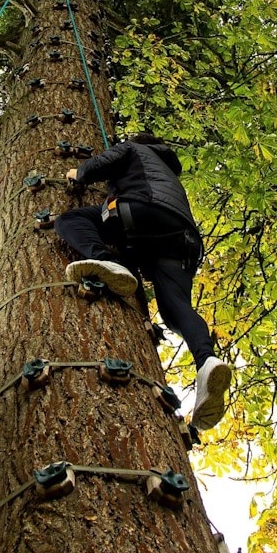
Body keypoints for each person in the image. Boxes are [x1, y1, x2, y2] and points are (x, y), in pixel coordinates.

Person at [54, 132, 231, 431]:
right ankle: (206, 362)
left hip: (140, 212)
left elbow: (107, 160)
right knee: (175, 310)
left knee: (70, 220)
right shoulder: (168, 170)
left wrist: (79, 173)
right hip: (181, 238)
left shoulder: (134, 148)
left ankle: (109, 262)